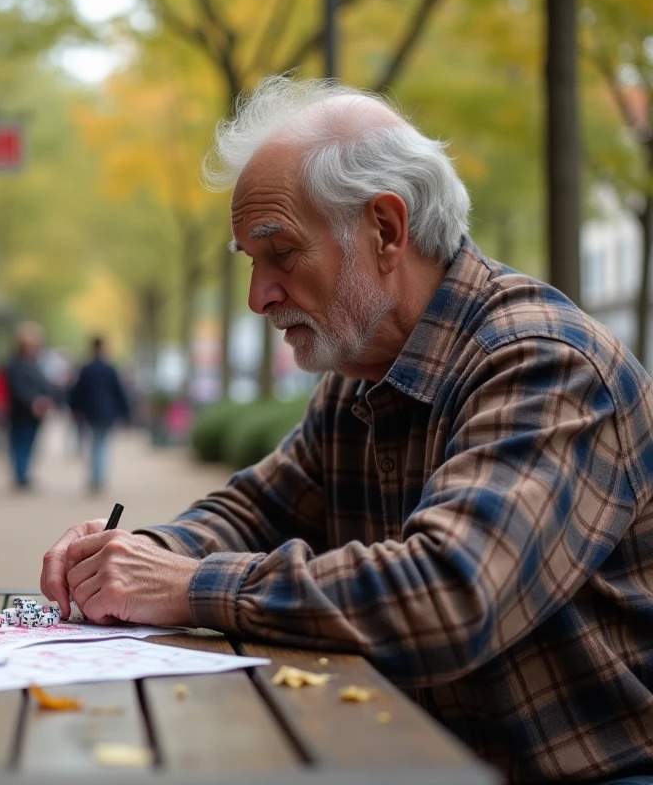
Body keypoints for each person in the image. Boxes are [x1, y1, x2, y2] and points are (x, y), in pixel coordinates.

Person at [39, 76, 653, 783]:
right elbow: (258, 506)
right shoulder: (362, 371)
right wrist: (141, 553)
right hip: (426, 755)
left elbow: (449, 596)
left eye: (281, 253)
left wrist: (184, 583)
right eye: (250, 262)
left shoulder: (547, 365)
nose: (257, 296)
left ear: (386, 230)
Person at [68, 336, 131, 493]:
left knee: (95, 443)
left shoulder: (86, 369)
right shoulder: (110, 369)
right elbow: (119, 391)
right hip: (108, 413)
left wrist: (74, 407)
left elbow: (77, 391)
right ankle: (99, 476)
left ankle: (95, 477)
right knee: (102, 444)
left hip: (91, 412)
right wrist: (126, 411)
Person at [4, 322, 54, 490]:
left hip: (34, 415)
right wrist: (32, 402)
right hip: (21, 412)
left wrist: (44, 401)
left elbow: (44, 385)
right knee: (20, 443)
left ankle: (24, 473)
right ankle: (21, 476)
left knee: (30, 444)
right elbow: (17, 389)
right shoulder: (16, 364)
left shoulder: (35, 364)